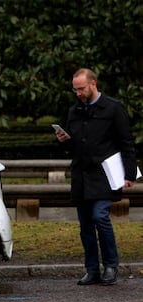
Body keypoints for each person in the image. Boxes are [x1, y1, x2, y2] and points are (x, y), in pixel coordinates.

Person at [55, 68, 137, 285]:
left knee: (100, 216)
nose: (78, 93)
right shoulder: (74, 111)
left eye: (81, 89)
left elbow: (126, 142)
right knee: (85, 225)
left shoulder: (113, 108)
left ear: (93, 84)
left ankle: (111, 265)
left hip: (105, 175)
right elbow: (75, 145)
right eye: (75, 90)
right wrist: (64, 140)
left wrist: (129, 174)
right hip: (81, 175)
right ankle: (91, 269)